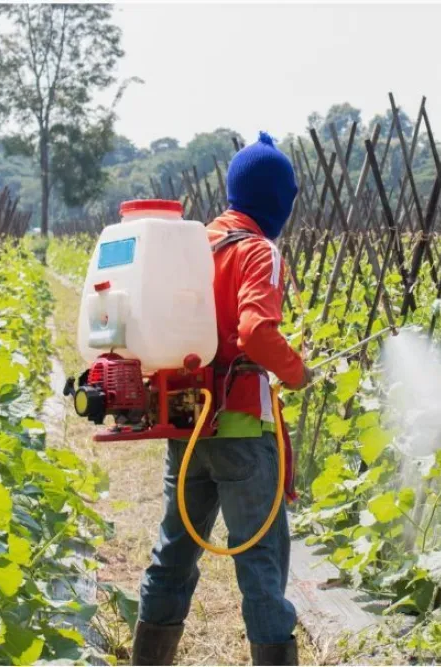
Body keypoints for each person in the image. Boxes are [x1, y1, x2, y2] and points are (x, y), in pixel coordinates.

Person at [132, 132, 311, 666]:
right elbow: (256, 331)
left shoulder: (193, 246)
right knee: (260, 563)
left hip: (186, 422)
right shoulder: (258, 250)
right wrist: (296, 371)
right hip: (241, 430)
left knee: (174, 552)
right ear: (277, 200)